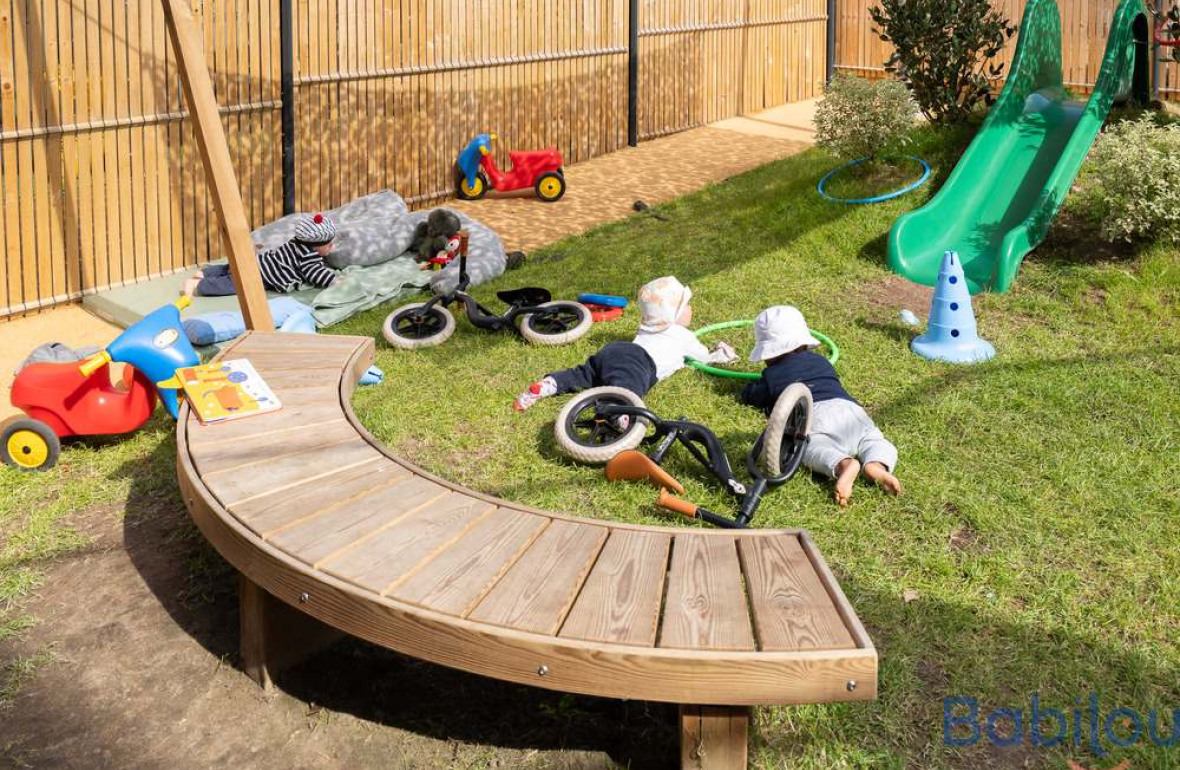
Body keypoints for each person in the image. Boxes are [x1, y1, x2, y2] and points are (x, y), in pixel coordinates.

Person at [741, 305, 902, 507]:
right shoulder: (822, 361)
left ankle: (844, 465)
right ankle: (876, 465)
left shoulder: (772, 375)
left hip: (814, 415)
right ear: (804, 342)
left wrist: (749, 390)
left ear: (768, 353)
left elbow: (753, 396)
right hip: (850, 410)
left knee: (811, 447)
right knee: (873, 439)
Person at [513, 276, 737, 411]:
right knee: (627, 389)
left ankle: (549, 384)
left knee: (584, 374)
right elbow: (705, 359)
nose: (691, 309)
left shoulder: (647, 326)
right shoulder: (682, 335)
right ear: (673, 314)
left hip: (615, 351)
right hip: (639, 361)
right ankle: (620, 413)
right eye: (686, 306)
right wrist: (723, 353)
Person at [183, 213, 339, 297]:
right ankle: (198, 286)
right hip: (260, 275)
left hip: (258, 261)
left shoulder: (296, 242)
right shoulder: (308, 257)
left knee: (230, 268)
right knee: (233, 284)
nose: (332, 247)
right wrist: (334, 280)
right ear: (315, 246)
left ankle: (205, 272)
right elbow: (316, 274)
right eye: (329, 245)